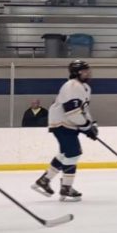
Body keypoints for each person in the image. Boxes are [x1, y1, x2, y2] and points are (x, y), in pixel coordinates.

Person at [31, 60, 96, 203]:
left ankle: (45, 180)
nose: (88, 72)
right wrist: (86, 127)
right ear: (77, 72)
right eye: (85, 70)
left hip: (68, 124)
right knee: (74, 153)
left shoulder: (84, 87)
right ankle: (66, 187)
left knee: (64, 154)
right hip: (62, 123)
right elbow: (71, 112)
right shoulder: (72, 86)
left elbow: (83, 109)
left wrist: (91, 124)